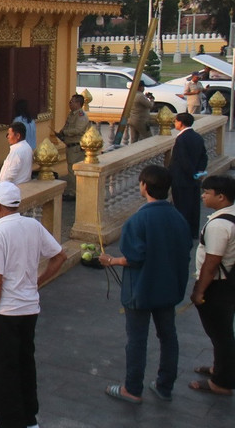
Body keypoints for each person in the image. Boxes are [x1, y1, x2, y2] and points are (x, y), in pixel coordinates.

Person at [99, 165, 192, 405]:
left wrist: (111, 260)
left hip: (141, 289)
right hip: (169, 287)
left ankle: (132, 388)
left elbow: (133, 258)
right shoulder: (178, 217)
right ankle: (164, 385)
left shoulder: (138, 220)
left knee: (137, 340)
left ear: (144, 186)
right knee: (168, 337)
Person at [0, 181, 65, 428]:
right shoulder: (32, 225)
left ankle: (9, 422)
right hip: (29, 308)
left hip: (6, 311)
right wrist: (37, 282)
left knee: (2, 371)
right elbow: (59, 256)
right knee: (25, 363)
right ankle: (28, 419)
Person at [189, 174, 235, 396]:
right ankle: (220, 368)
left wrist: (199, 290)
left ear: (221, 197)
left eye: (206, 193)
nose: (203, 196)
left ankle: (222, 382)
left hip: (217, 286)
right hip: (227, 283)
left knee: (220, 334)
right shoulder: (231, 216)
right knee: (221, 332)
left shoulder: (218, 225)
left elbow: (212, 261)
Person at [169, 111, 208, 239]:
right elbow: (204, 156)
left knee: (182, 206)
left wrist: (191, 173)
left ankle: (182, 233)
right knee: (194, 206)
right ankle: (193, 232)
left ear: (181, 122)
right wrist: (199, 172)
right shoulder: (197, 137)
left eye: (175, 121)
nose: (175, 123)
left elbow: (183, 160)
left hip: (182, 179)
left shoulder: (181, 139)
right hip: (194, 179)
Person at [54, 94, 90, 201]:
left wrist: (65, 132)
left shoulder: (81, 115)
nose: (70, 103)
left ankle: (74, 192)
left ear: (78, 104)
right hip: (69, 146)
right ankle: (71, 190)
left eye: (72, 102)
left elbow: (78, 130)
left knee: (73, 171)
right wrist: (61, 133)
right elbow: (67, 126)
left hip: (76, 147)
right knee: (71, 170)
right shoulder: (72, 114)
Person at [0, 121, 33, 186]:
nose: (7, 137)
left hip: (12, 188)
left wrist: (0, 189)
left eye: (9, 134)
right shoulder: (27, 147)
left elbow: (9, 175)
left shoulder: (17, 152)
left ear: (18, 136)